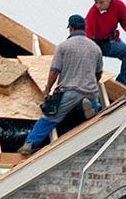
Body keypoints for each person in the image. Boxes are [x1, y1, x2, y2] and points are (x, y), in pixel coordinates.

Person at [17, 15, 103, 155]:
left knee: (50, 118)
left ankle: (29, 144)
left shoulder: (64, 46)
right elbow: (98, 74)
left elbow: (55, 70)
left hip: (69, 91)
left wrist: (47, 89)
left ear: (71, 28)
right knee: (95, 106)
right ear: (84, 28)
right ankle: (90, 105)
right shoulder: (95, 48)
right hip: (90, 90)